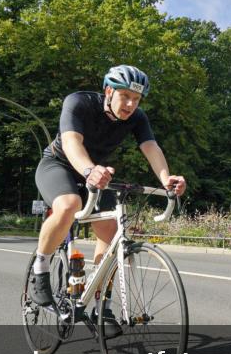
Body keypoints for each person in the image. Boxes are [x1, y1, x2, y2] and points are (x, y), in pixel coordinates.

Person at [31, 65, 187, 308]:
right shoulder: (79, 102)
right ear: (108, 91)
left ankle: (101, 302)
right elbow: (72, 141)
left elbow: (150, 147)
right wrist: (88, 170)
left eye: (136, 99)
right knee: (70, 204)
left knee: (113, 234)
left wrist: (166, 179)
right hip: (59, 164)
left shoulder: (137, 117)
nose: (130, 104)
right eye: (125, 96)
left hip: (97, 174)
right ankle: (40, 269)